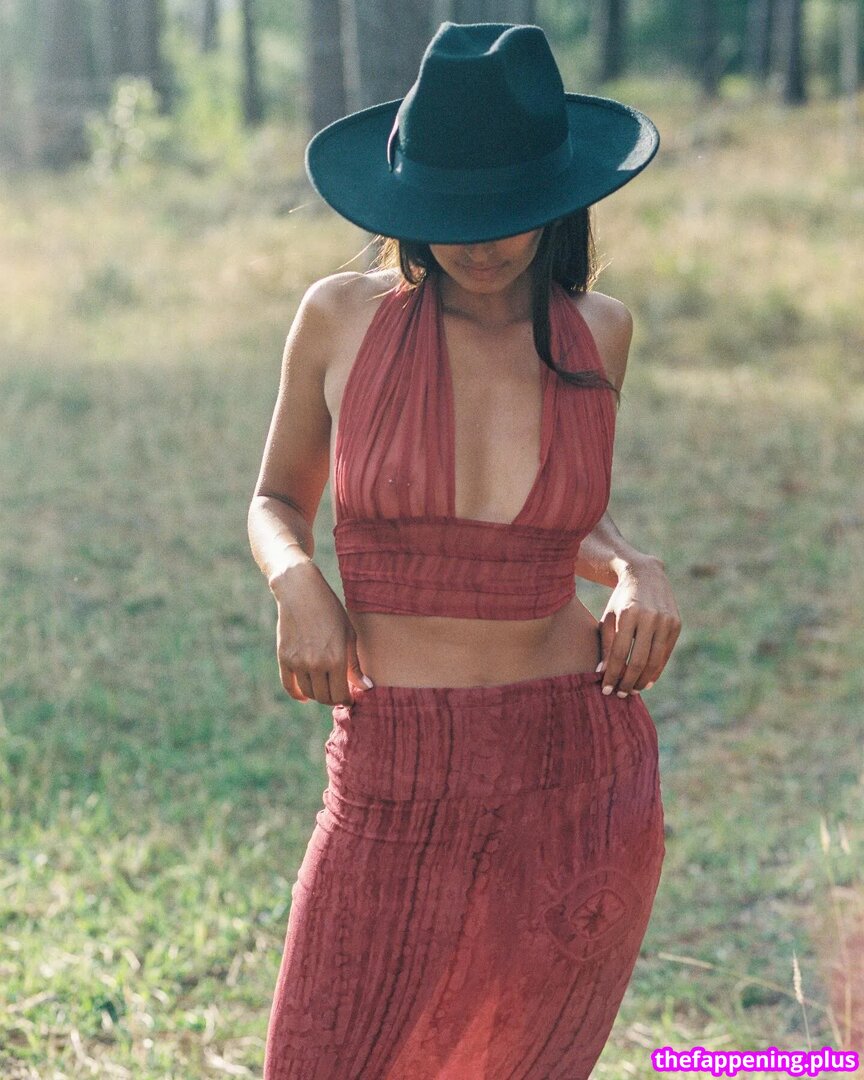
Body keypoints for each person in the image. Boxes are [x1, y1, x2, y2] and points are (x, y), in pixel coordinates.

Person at [248, 21, 681, 1080]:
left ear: (558, 197)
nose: (481, 242)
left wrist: (638, 567)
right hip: (393, 758)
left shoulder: (601, 331)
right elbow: (273, 500)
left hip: (575, 764)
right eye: (454, 212)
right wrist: (299, 581)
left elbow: (549, 517)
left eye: (508, 212)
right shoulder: (340, 318)